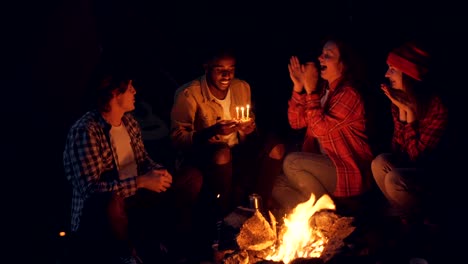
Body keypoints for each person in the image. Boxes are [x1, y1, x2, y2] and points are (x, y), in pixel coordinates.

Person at [63, 66, 202, 264]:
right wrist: (140, 182)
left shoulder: (128, 122)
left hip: (138, 197)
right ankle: (126, 255)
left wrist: (158, 172)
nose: (135, 92)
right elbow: (90, 190)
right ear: (114, 94)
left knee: (191, 177)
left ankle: (175, 244)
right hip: (107, 210)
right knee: (111, 201)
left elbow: (143, 159)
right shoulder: (86, 131)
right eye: (129, 88)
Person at [170, 46, 286, 218]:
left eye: (231, 70)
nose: (227, 76)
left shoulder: (241, 87)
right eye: (220, 70)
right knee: (223, 153)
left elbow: (249, 121)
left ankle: (260, 207)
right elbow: (178, 138)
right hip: (205, 153)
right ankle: (222, 214)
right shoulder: (188, 94)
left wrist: (248, 129)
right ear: (207, 67)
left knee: (276, 147)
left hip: (238, 148)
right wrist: (212, 131)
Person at [271, 35, 374, 216]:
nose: (320, 58)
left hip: (346, 171)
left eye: (328, 55)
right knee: (278, 185)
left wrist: (310, 90)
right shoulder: (324, 91)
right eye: (322, 53)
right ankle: (320, 219)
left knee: (292, 162)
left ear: (344, 64)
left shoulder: (349, 95)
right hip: (323, 168)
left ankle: (329, 212)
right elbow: (296, 123)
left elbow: (320, 128)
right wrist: (299, 88)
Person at [371, 41, 449, 225]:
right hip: (410, 168)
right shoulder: (399, 101)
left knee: (394, 179)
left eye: (392, 69)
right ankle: (406, 221)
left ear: (408, 74)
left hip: (434, 177)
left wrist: (410, 115)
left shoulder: (436, 107)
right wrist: (402, 112)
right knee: (379, 162)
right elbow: (397, 150)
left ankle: (420, 226)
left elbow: (418, 158)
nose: (386, 74)